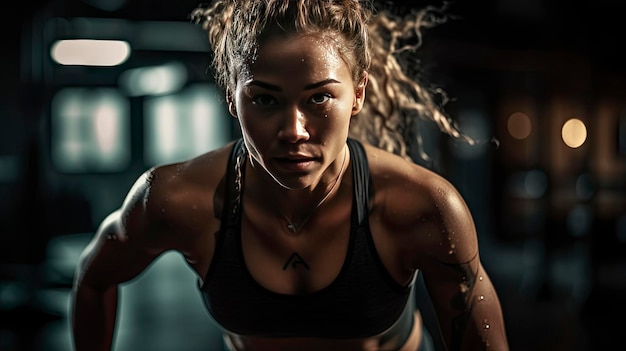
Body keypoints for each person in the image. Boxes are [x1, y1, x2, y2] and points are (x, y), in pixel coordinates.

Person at [71, 0, 509, 350]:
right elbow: (93, 280)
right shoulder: (175, 200)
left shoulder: (423, 207)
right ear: (232, 97)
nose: (293, 131)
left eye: (319, 98)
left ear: (357, 95)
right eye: (264, 100)